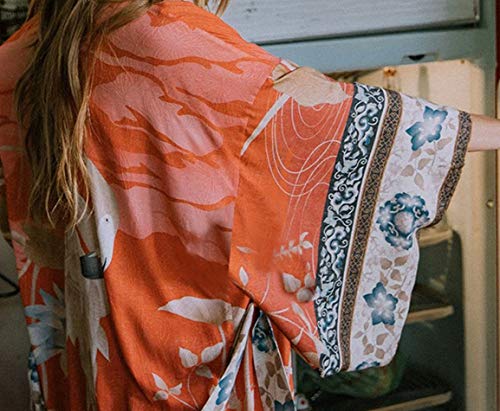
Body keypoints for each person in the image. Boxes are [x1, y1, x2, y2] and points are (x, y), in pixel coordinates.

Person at [0, 0, 499, 410]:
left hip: (82, 370)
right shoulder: (168, 38)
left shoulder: (25, 49)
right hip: (187, 379)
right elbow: (342, 127)